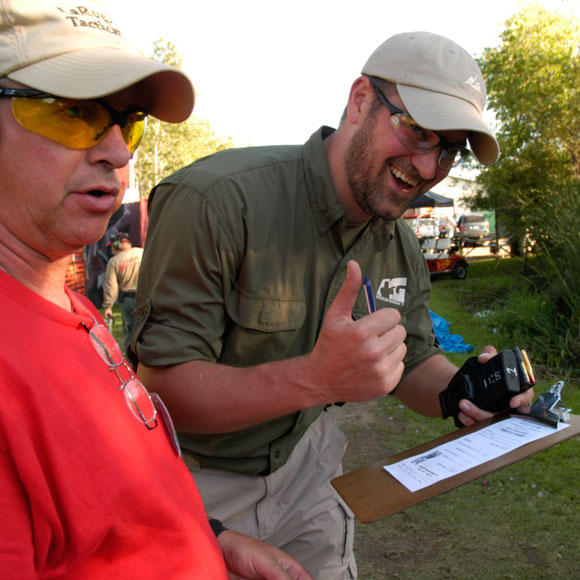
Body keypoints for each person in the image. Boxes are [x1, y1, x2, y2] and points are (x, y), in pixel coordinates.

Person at [131, 31, 535, 579]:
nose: (428, 165)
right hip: (196, 481)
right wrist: (317, 380)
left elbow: (411, 360)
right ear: (360, 99)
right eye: (417, 130)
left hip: (308, 465)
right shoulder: (216, 202)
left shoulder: (399, 242)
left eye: (449, 148)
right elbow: (160, 392)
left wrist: (462, 390)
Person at [0, 1, 314, 579]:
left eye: (129, 122)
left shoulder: (68, 308)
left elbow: (115, 507)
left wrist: (213, 542)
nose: (118, 153)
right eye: (72, 112)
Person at [102, 232, 143, 350]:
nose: (111, 250)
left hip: (128, 301)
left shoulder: (114, 261)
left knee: (130, 332)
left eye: (111, 247)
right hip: (147, 297)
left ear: (117, 245)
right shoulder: (143, 252)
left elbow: (111, 287)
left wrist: (108, 306)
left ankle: (132, 365)